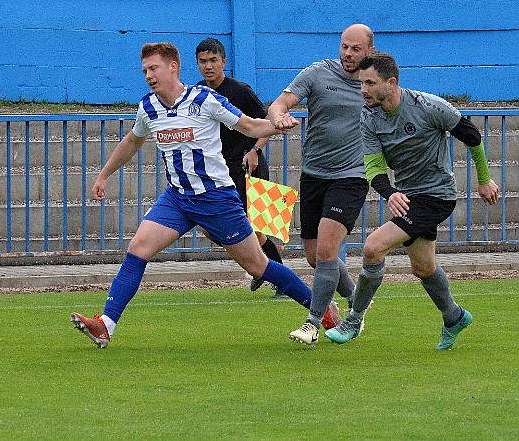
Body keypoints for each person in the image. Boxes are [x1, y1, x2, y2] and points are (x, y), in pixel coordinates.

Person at [70, 42, 338, 348]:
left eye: (153, 68)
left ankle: (322, 310)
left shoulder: (205, 99)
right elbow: (132, 141)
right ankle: (106, 325)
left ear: (173, 67)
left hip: (216, 199)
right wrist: (104, 175)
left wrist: (276, 124)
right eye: (144, 70)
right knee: (138, 249)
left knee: (257, 267)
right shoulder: (148, 108)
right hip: (177, 198)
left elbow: (249, 125)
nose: (148, 75)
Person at [325, 51, 499, 349]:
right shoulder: (369, 116)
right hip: (408, 197)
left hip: (437, 195)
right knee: (423, 268)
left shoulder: (428, 106)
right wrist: (390, 193)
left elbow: (471, 135)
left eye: (369, 82)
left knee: (372, 248)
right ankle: (454, 316)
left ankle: (354, 318)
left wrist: (484, 179)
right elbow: (375, 167)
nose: (363, 89)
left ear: (390, 83)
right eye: (361, 83)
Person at [269, 24, 376, 346]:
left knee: (329, 252)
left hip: (352, 176)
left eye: (356, 49)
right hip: (314, 174)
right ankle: (359, 304)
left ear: (369, 51)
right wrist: (279, 118)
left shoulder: (374, 84)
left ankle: (313, 323)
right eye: (344, 46)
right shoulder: (318, 73)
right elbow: (279, 104)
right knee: (315, 258)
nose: (348, 54)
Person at [194, 38, 284, 290]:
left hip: (248, 166)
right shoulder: (199, 92)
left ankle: (277, 276)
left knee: (250, 228)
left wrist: (255, 149)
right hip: (218, 171)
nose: (208, 66)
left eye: (213, 60)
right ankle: (264, 268)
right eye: (203, 61)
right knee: (212, 228)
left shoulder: (240, 91)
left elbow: (268, 122)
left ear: (224, 62)